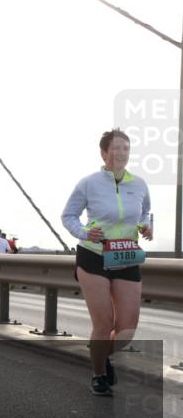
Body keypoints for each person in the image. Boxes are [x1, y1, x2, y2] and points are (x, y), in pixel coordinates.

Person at [61, 128, 152, 396]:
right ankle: (99, 373)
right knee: (104, 325)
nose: (121, 153)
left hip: (126, 256)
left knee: (126, 330)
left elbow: (146, 212)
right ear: (104, 153)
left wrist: (146, 226)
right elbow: (69, 216)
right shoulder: (88, 183)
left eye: (126, 148)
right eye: (116, 148)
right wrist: (84, 232)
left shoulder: (139, 184)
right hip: (94, 257)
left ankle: (100, 355)